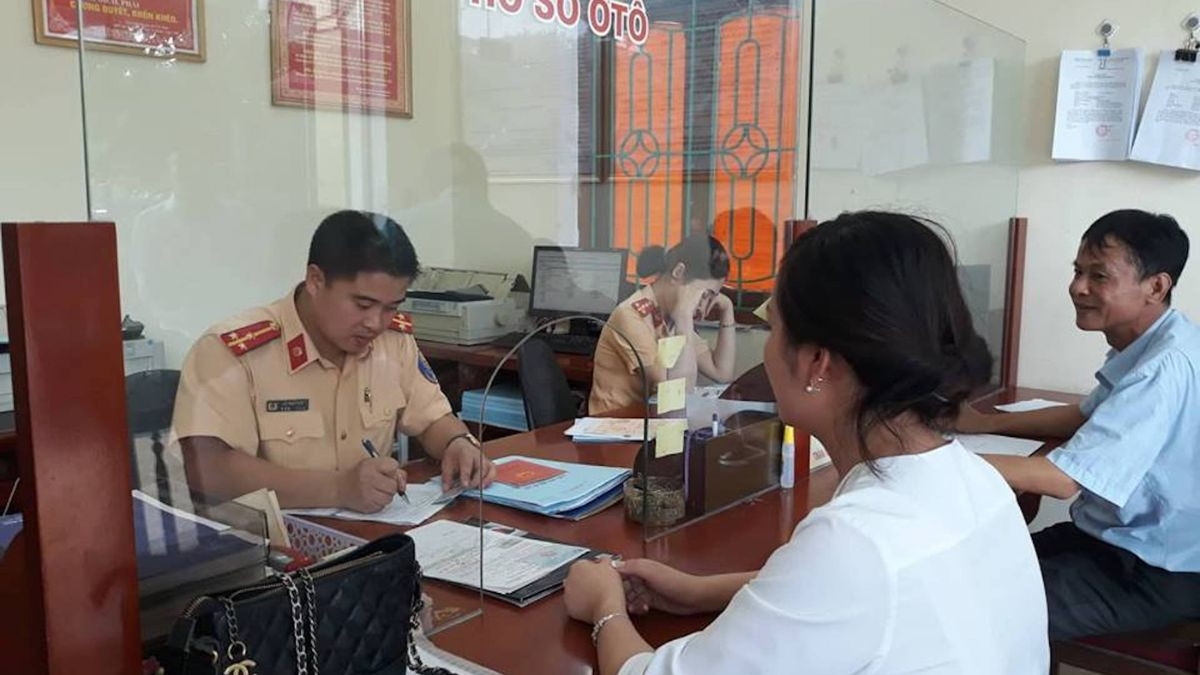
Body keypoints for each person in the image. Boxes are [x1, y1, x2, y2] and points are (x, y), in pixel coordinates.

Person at [564, 211, 1049, 674]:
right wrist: (699, 592)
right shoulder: (977, 479)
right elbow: (848, 591)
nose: (768, 348)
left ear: (817, 363)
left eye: (774, 327)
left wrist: (605, 606)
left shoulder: (853, 542)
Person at [957, 209, 1200, 639]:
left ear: (1156, 287)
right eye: (1077, 271)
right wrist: (982, 423)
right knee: (963, 565)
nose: (1077, 287)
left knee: (968, 609)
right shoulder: (1157, 340)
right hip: (1110, 539)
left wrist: (929, 456)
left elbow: (1061, 480)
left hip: (1153, 570)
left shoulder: (1162, 368)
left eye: (1098, 276)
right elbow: (1086, 415)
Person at [173, 210, 496, 513]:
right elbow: (208, 470)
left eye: (391, 307)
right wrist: (338, 488)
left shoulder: (392, 341)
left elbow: (432, 417)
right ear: (315, 280)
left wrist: (457, 444)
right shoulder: (233, 351)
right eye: (363, 304)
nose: (375, 323)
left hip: (371, 536)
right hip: (273, 544)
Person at [588, 234, 738, 415]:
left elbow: (722, 373)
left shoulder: (669, 315)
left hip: (652, 421)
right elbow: (674, 392)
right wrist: (684, 317)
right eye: (704, 295)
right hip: (614, 425)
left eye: (712, 298)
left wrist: (727, 309)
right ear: (678, 272)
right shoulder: (631, 315)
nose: (703, 306)